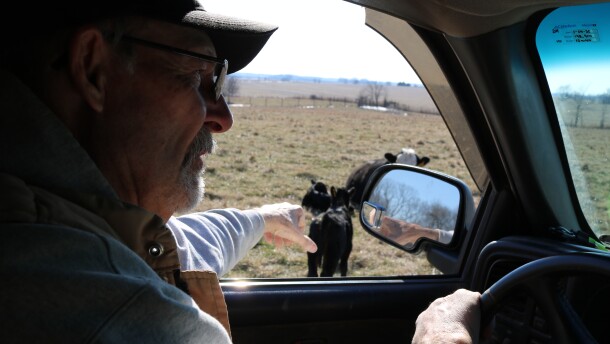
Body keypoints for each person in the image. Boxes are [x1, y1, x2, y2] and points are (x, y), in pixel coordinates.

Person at [0, 0, 316, 342]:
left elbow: (172, 244)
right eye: (197, 76)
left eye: (219, 82)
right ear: (92, 69)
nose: (224, 118)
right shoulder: (145, 323)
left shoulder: (58, 219)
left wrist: (260, 220)